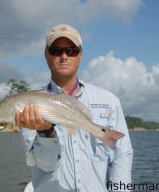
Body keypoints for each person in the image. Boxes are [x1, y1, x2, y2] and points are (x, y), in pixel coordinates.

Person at [15, 24, 133, 192]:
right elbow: (45, 166)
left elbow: (122, 156)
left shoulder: (109, 101)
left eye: (71, 50)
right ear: (46, 54)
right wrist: (46, 132)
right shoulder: (31, 106)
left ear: (81, 54)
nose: (64, 56)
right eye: (56, 50)